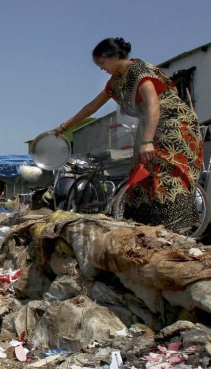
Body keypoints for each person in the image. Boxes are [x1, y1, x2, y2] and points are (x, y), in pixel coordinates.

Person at [56, 37, 202, 234]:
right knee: (141, 173)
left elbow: (153, 105)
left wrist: (147, 140)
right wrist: (65, 126)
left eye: (102, 62)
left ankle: (177, 227)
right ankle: (149, 228)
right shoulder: (115, 82)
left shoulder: (140, 72)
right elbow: (91, 107)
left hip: (173, 124)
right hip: (150, 124)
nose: (101, 68)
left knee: (165, 173)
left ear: (115, 56)